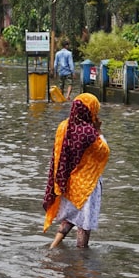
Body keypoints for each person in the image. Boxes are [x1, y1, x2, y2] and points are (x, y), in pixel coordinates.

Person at [43, 93, 110, 249]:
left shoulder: (63, 127)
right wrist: (99, 131)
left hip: (68, 182)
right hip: (87, 185)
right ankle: (81, 259)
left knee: (71, 217)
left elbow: (58, 153)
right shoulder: (89, 133)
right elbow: (104, 151)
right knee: (84, 224)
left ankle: (53, 247)